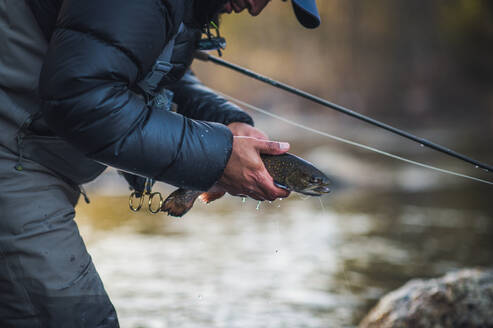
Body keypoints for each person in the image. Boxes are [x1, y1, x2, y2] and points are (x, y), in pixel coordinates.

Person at [0, 0, 320, 326]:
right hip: (11, 154)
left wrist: (225, 122)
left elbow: (135, 64)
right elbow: (83, 100)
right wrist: (219, 158)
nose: (256, 8)